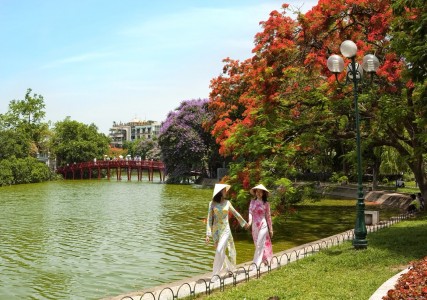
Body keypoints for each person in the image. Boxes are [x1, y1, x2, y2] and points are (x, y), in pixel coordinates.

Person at [205, 183, 248, 279]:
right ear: (220, 192)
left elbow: (236, 214)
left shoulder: (227, 203)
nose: (226, 192)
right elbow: (209, 219)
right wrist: (208, 234)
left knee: (220, 250)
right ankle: (230, 269)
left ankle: (215, 275)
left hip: (225, 230)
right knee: (220, 252)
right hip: (216, 232)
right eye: (224, 190)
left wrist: (244, 223)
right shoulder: (211, 204)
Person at [247, 184, 273, 268]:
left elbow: (268, 217)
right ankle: (264, 260)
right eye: (257, 191)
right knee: (257, 244)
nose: (258, 193)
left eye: (260, 191)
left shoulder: (266, 204)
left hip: (263, 225)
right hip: (254, 226)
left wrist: (271, 229)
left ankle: (256, 264)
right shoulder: (252, 202)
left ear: (263, 193)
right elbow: (250, 212)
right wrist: (250, 221)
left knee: (260, 243)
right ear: (255, 192)